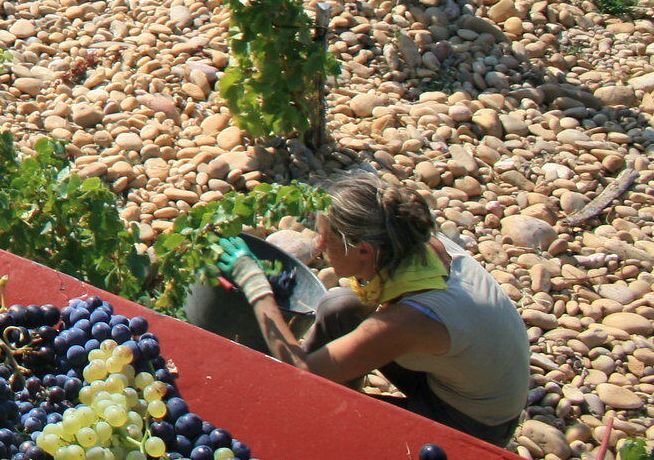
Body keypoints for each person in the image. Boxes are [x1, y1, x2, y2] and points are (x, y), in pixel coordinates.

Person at [216, 176, 531, 446]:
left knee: (335, 426)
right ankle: (314, 401)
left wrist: (255, 285)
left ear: (364, 250)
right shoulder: (412, 243)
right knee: (338, 307)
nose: (318, 245)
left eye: (326, 240)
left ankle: (321, 416)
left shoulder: (413, 319)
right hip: (454, 377)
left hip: (476, 425)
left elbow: (303, 371)